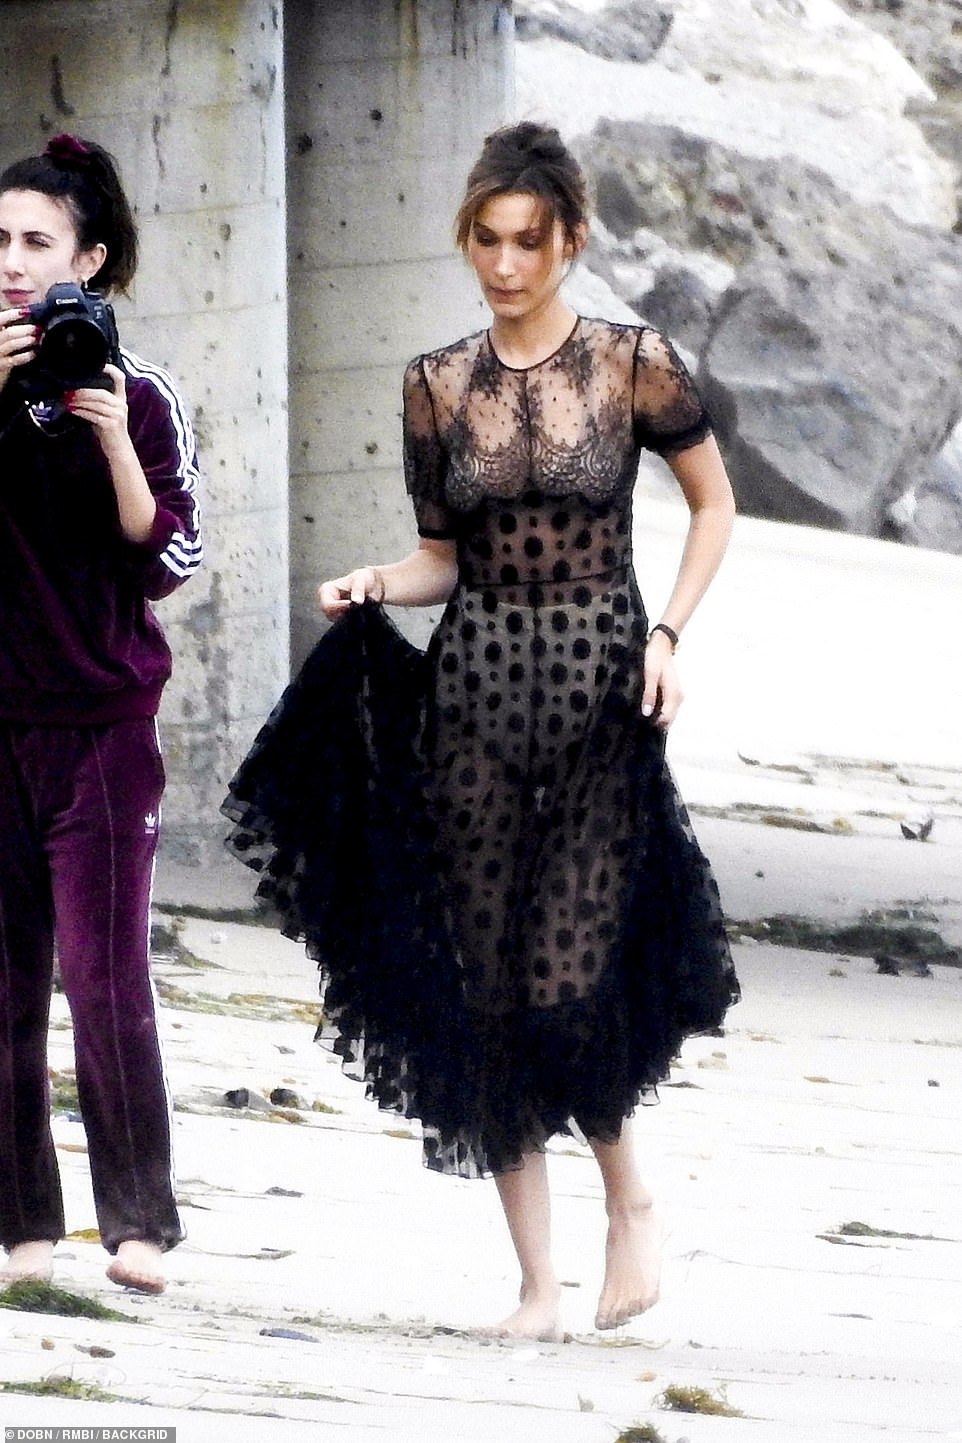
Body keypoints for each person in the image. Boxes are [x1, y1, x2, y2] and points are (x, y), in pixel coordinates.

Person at [227, 120, 739, 1340]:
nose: (503, 265)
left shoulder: (631, 364)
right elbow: (440, 562)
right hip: (469, 712)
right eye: (486, 240)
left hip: (600, 707)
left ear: (568, 243)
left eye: (526, 242)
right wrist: (372, 581)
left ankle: (628, 1198)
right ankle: (535, 1287)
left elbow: (713, 507)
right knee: (488, 995)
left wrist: (667, 635)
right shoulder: (434, 384)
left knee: (566, 984)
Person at [0, 133, 202, 1295]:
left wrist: (115, 437)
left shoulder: (144, 395)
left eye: (38, 242)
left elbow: (167, 557)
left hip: (104, 734)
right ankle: (23, 1230)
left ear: (90, 261)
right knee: (4, 991)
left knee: (105, 982)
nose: (12, 263)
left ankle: (138, 1228)